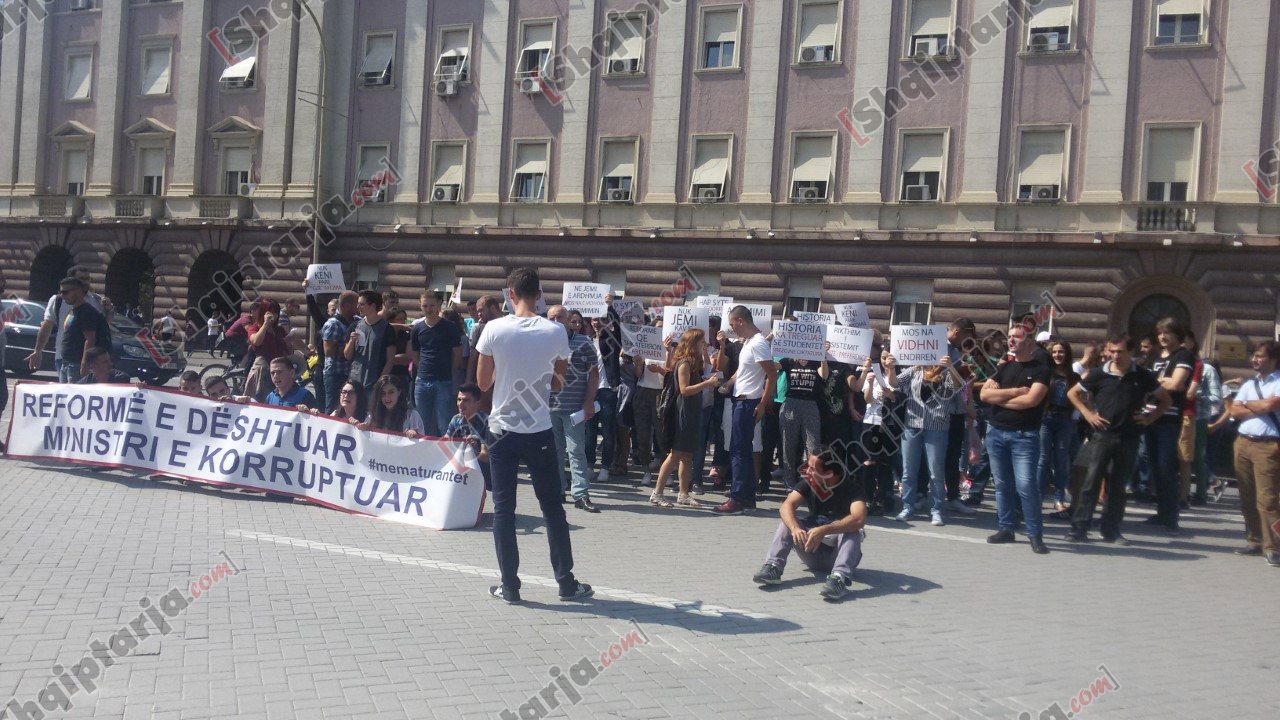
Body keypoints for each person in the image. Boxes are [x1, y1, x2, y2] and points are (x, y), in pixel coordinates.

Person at [476, 267, 592, 604]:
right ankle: (566, 583)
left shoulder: (493, 329)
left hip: (502, 432)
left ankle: (510, 586)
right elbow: (559, 383)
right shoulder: (556, 330)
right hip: (539, 429)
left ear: (510, 295)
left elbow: (483, 384)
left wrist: (506, 369)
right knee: (553, 508)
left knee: (504, 509)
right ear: (539, 295)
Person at [1065, 335, 1171, 543]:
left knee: (1118, 486)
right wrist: (1088, 415)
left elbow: (1165, 400)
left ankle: (1111, 530)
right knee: (1090, 483)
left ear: (1131, 353)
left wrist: (1150, 418)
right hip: (1102, 435)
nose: (1115, 356)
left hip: (1129, 436)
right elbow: (1073, 393)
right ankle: (1079, 528)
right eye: (1112, 351)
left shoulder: (1142, 376)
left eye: (1120, 351)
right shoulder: (1099, 374)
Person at [751, 447, 868, 602]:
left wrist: (825, 529)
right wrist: (795, 528)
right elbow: (786, 506)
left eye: (813, 469)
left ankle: (839, 578)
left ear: (829, 473)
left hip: (838, 553)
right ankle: (773, 567)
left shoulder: (853, 489)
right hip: (810, 548)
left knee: (853, 531)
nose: (807, 471)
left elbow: (859, 518)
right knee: (788, 520)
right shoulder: (810, 482)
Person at [980, 325, 1052, 554]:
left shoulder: (1041, 369)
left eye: (1016, 337)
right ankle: (1006, 528)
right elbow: (984, 395)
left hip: (1024, 435)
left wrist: (999, 399)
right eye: (1009, 337)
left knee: (1026, 486)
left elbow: (1031, 401)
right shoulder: (1004, 367)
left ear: (1029, 342)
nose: (1010, 340)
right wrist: (1014, 393)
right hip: (996, 432)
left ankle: (1034, 534)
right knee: (1002, 485)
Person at [714, 305, 778, 515]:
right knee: (741, 449)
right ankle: (748, 496)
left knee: (738, 451)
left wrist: (762, 403)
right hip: (741, 400)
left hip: (748, 402)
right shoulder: (750, 342)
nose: (733, 329)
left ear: (741, 320)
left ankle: (737, 497)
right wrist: (728, 384)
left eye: (733, 325)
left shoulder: (758, 343)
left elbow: (772, 375)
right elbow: (741, 372)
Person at [650, 329, 721, 508]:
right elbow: (684, 389)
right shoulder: (684, 363)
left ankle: (683, 494)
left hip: (692, 411)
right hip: (683, 413)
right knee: (675, 454)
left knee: (688, 455)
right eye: (701, 342)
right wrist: (707, 384)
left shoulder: (693, 363)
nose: (704, 344)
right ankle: (657, 493)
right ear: (693, 343)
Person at [890, 355, 962, 526]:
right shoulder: (915, 369)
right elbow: (894, 383)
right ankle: (907, 507)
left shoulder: (946, 371)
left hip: (937, 426)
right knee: (909, 471)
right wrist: (891, 367)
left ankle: (937, 509)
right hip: (912, 424)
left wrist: (950, 366)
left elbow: (958, 386)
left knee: (935, 472)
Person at [1228, 341, 1280, 566]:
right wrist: (1256, 405)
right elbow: (1234, 411)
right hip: (1243, 443)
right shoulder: (1250, 383)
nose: (1254, 360)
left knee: (1268, 499)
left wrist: (1248, 405)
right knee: (1247, 495)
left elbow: (1271, 405)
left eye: (1259, 356)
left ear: (1273, 359)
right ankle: (1254, 541)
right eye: (1254, 356)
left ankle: (1274, 547)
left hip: (1268, 445)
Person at [547, 305, 601, 512]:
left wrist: (589, 401)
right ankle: (559, 489)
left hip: (574, 408)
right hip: (549, 406)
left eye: (559, 317)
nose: (555, 321)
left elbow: (594, 374)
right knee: (555, 451)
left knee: (576, 450)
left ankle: (580, 494)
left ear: (569, 320)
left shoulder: (583, 342)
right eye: (551, 318)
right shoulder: (543, 342)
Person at [1144, 317, 1195, 534]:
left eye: (1168, 333)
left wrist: (1155, 382)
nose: (1163, 337)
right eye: (1160, 333)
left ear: (1178, 335)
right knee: (1154, 467)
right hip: (1149, 415)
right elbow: (1144, 381)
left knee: (1167, 467)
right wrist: (1160, 381)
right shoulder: (1155, 357)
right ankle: (1161, 512)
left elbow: (1176, 384)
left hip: (1169, 418)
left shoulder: (1183, 355)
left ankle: (1171, 516)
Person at [409, 290, 463, 435]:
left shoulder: (450, 327)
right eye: (425, 306)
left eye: (432, 305)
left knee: (443, 424)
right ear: (420, 305)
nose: (428, 309)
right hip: (422, 380)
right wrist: (422, 369)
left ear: (439, 304)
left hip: (444, 380)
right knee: (422, 423)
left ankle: (445, 456)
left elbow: (457, 354)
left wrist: (451, 373)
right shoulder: (417, 329)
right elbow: (415, 354)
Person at [1037, 341, 1081, 514]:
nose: (1057, 355)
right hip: (1046, 419)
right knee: (1042, 459)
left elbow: (1081, 397)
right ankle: (1038, 497)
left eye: (1061, 352)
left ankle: (1058, 498)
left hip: (1065, 420)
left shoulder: (1074, 377)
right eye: (1054, 352)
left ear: (1067, 354)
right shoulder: (1046, 373)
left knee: (1061, 460)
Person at [778, 355, 828, 490]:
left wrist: (822, 356)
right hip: (791, 402)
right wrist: (769, 341)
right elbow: (771, 367)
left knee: (812, 446)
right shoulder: (788, 360)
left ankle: (811, 485)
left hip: (810, 404)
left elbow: (824, 375)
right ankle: (790, 483)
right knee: (788, 445)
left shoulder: (815, 359)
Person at [55, 277, 112, 382]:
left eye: (65, 292)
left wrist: (84, 364)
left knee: (73, 394)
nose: (62, 296)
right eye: (60, 292)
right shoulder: (74, 310)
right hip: (67, 362)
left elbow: (90, 339)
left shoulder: (86, 312)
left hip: (76, 364)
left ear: (78, 291)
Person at [344, 291, 397, 394]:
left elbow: (390, 359)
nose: (358, 307)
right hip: (354, 381)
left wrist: (381, 381)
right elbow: (347, 355)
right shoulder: (355, 326)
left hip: (374, 383)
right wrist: (351, 341)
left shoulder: (387, 329)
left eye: (362, 304)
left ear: (372, 306)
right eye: (358, 304)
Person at [446, 383, 494, 490]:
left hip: (487, 479)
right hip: (463, 477)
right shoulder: (456, 419)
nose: (460, 404)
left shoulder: (489, 422)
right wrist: (418, 437)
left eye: (466, 400)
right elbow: (443, 443)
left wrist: (471, 452)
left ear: (477, 403)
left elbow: (486, 457)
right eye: (459, 400)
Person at [244, 300, 291, 401]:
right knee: (260, 400)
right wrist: (265, 324)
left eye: (276, 312)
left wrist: (290, 341)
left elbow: (288, 351)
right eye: (270, 312)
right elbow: (256, 341)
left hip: (278, 370)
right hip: (262, 369)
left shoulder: (279, 330)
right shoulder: (254, 327)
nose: (273, 315)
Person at [321, 291, 358, 412]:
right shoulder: (333, 324)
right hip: (334, 373)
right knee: (333, 408)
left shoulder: (356, 320)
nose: (358, 307)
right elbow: (328, 351)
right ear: (347, 305)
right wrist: (349, 348)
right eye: (356, 304)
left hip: (350, 372)